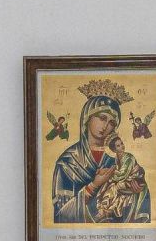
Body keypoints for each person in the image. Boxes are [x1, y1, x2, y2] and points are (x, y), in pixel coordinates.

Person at [50, 83, 150, 223]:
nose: (105, 126)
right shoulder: (68, 161)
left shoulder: (118, 157)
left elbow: (138, 187)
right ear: (87, 117)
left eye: (112, 123)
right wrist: (93, 186)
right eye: (102, 118)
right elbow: (61, 214)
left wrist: (136, 188)